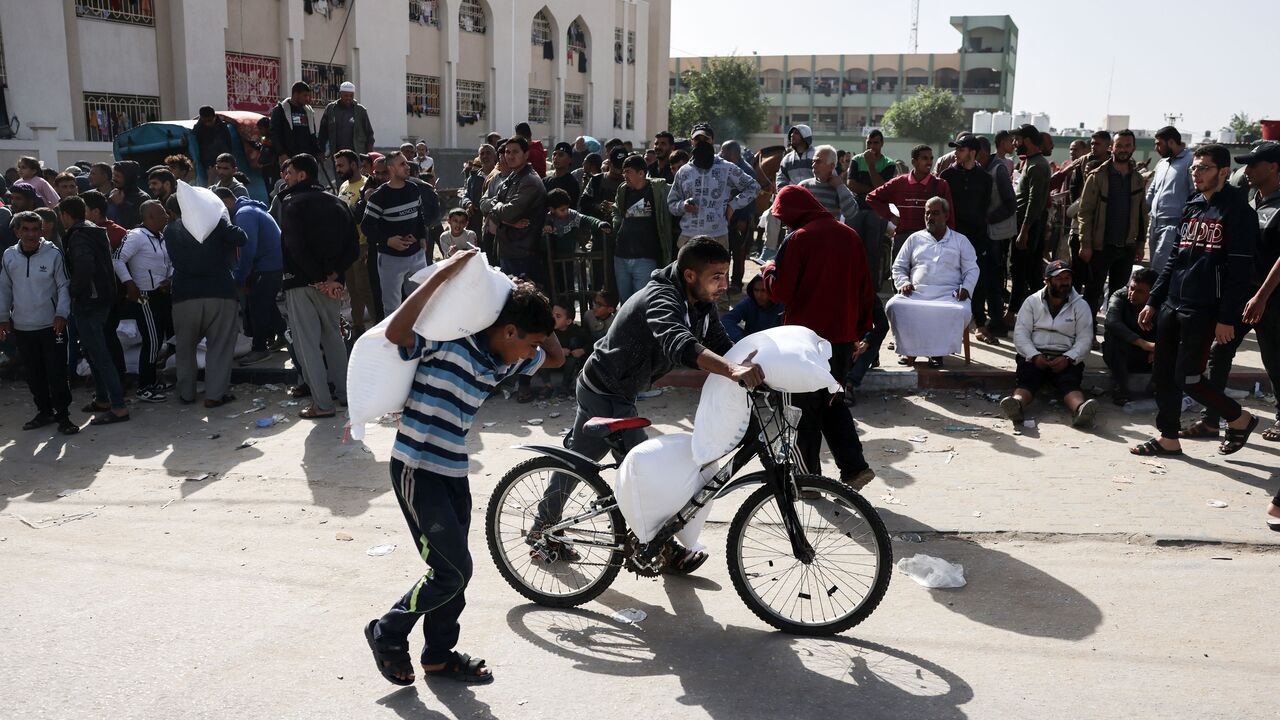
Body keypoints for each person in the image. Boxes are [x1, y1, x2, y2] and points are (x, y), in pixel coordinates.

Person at [366, 250, 564, 687]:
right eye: (527, 341)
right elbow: (399, 333)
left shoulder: (502, 360)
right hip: (416, 469)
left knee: (456, 570)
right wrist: (443, 277)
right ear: (508, 330)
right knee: (452, 572)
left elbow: (556, 357)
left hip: (452, 471)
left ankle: (438, 655)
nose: (529, 353)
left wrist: (522, 296)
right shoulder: (449, 339)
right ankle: (388, 630)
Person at [537, 238, 765, 572]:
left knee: (580, 462)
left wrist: (759, 370)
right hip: (605, 390)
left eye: (725, 275)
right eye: (716, 276)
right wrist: (732, 370)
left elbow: (720, 344)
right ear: (690, 275)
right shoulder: (661, 297)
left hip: (616, 389)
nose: (724, 284)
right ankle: (662, 547)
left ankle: (543, 528)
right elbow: (676, 340)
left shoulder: (700, 302)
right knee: (646, 471)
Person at [1131, 144, 1260, 457]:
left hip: (1205, 310)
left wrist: (1227, 318)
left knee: (1187, 377)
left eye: (1203, 168)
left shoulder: (1238, 211)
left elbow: (1240, 272)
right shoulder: (1192, 205)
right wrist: (1154, 300)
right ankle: (1168, 438)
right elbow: (1174, 258)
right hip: (1174, 303)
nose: (1196, 173)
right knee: (1163, 374)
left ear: (1223, 172)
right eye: (1194, 168)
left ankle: (1239, 418)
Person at [764, 185, 876, 488]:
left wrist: (769, 270)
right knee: (831, 401)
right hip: (840, 340)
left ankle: (808, 480)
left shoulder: (798, 239)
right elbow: (865, 288)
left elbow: (781, 292)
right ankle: (854, 468)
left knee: (803, 410)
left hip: (804, 343)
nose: (785, 223)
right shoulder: (849, 235)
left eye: (784, 218)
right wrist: (859, 332)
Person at [1180, 142, 1280, 443]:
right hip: (1240, 296)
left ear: (1274, 167)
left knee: (1275, 359)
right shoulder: (1249, 202)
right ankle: (1212, 419)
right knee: (1219, 353)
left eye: (1253, 164)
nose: (1246, 170)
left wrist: (1261, 297)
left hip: (1271, 298)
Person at [277, 153, 359, 419]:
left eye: (289, 173)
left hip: (301, 284)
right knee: (333, 338)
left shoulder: (292, 204)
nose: (285, 178)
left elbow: (295, 248)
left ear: (302, 175)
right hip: (332, 285)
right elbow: (353, 248)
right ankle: (347, 396)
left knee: (307, 344)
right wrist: (332, 277)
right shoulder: (338, 203)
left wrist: (316, 279)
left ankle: (322, 404)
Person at [164, 192, 247, 408]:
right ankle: (215, 395)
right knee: (219, 346)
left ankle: (186, 393)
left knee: (185, 348)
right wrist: (220, 217)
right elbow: (241, 238)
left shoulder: (171, 230)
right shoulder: (214, 224)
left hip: (184, 297)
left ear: (172, 212)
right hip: (220, 293)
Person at [0, 210, 77, 434]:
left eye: (35, 229)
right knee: (33, 374)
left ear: (42, 230)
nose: (31, 234)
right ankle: (44, 412)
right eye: (26, 229)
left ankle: (64, 417)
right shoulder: (9, 256)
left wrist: (62, 313)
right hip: (23, 326)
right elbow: (4, 289)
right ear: (17, 232)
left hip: (52, 326)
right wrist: (3, 318)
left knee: (57, 373)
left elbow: (64, 285)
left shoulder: (53, 254)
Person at [885, 197, 979, 368]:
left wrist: (966, 288)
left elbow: (972, 269)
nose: (930, 217)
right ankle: (908, 350)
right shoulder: (915, 239)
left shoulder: (960, 240)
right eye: (927, 213)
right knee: (894, 305)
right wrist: (903, 282)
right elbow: (898, 266)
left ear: (946, 216)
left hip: (948, 294)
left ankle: (937, 353)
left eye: (935, 213)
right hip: (917, 292)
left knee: (960, 310)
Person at [1002, 260, 1098, 428]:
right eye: (1059, 279)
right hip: (1035, 354)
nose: (1065, 283)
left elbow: (1085, 338)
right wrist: (1034, 355)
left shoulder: (1081, 305)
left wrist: (1068, 358)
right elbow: (1021, 334)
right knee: (1027, 380)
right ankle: (1016, 405)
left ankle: (1081, 410)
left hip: (1065, 355)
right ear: (1047, 281)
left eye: (1067, 278)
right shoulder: (1031, 302)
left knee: (1069, 382)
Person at [61, 196, 129, 424]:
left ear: (67, 215)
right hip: (103, 298)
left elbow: (85, 266)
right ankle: (103, 399)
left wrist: (72, 290)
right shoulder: (94, 231)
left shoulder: (78, 237)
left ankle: (118, 406)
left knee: (99, 354)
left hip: (89, 301)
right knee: (92, 351)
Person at [1075, 129, 1148, 318]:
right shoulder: (1097, 176)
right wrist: (1086, 243)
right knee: (1092, 292)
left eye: (1127, 145)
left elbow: (1142, 214)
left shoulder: (1138, 179)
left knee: (1119, 296)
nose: (1123, 149)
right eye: (1119, 146)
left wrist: (1140, 244)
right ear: (1111, 147)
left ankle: (1113, 336)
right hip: (1101, 246)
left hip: (1126, 247)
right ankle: (1087, 334)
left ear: (1133, 148)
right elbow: (1085, 212)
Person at [215, 187, 283, 366]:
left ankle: (260, 349)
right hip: (271, 264)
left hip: (269, 265)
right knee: (265, 302)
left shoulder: (244, 214)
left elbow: (247, 248)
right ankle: (284, 335)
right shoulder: (248, 210)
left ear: (226, 201)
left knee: (256, 304)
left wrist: (240, 277)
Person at [113, 200, 173, 400]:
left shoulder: (161, 237)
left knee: (158, 340)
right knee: (152, 341)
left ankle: (153, 381)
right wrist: (129, 283)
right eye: (162, 213)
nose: (166, 216)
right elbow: (117, 259)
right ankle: (144, 387)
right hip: (144, 296)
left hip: (161, 295)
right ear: (150, 217)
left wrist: (170, 278)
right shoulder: (136, 236)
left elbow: (170, 262)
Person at [667, 123, 760, 250]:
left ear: (713, 141)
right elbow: (671, 203)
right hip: (689, 238)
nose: (702, 143)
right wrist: (683, 206)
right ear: (691, 142)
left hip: (718, 237)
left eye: (706, 139)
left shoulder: (726, 168)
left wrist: (733, 205)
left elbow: (754, 187)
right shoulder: (684, 171)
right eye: (697, 139)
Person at [939, 135, 995, 338]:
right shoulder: (947, 175)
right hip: (952, 235)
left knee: (976, 279)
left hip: (977, 236)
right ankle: (948, 327)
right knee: (948, 279)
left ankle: (979, 323)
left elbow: (985, 206)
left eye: (961, 149)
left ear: (973, 152)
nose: (956, 152)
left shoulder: (985, 178)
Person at [362, 152, 430, 314]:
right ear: (391, 168)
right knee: (392, 307)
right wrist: (388, 240)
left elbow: (419, 215)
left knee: (421, 303)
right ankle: (394, 339)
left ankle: (419, 339)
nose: (408, 167)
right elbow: (367, 226)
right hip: (390, 259)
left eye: (407, 163)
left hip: (416, 256)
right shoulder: (379, 197)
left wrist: (421, 236)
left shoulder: (413, 189)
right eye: (402, 164)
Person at [864, 144, 955, 266]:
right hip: (903, 239)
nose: (929, 162)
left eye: (931, 158)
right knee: (900, 280)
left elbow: (949, 215)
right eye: (924, 158)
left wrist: (947, 241)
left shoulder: (940, 185)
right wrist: (890, 216)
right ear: (914, 162)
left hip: (930, 240)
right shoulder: (899, 183)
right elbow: (871, 198)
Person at [480, 136, 549, 287]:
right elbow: (484, 205)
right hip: (507, 249)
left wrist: (499, 213)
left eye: (515, 152)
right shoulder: (513, 176)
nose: (510, 156)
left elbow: (508, 212)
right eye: (507, 152)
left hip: (523, 253)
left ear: (526, 154)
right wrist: (503, 217)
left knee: (524, 301)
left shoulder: (530, 181)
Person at [611, 153, 671, 302]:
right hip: (621, 256)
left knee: (643, 303)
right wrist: (616, 225)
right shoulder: (623, 190)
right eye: (624, 172)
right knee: (625, 304)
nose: (624, 175)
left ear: (641, 173)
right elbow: (617, 211)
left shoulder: (658, 190)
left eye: (628, 171)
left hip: (645, 258)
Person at [1008, 124, 1051, 320]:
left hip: (1028, 225)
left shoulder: (1038, 165)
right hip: (1024, 223)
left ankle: (1012, 313)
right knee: (1029, 271)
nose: (1015, 144)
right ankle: (1041, 313)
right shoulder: (1030, 162)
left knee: (1021, 270)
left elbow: (1035, 202)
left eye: (1017, 140)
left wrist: (1024, 231)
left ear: (1026, 140)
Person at [976, 135, 1016, 341]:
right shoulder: (983, 168)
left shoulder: (998, 169)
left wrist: (987, 219)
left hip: (995, 234)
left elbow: (1010, 204)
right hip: (987, 233)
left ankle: (997, 322)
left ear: (981, 153)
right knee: (985, 278)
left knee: (992, 279)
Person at [541, 187, 611, 303]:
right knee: (555, 290)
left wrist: (599, 224)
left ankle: (569, 313)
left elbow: (587, 220)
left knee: (570, 290)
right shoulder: (547, 220)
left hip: (569, 259)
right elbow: (542, 243)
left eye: (567, 208)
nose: (566, 212)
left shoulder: (572, 216)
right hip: (551, 261)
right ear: (552, 209)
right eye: (562, 210)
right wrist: (546, 233)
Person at [847, 130, 898, 281]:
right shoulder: (856, 160)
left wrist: (871, 166)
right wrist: (874, 190)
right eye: (869, 142)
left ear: (882, 144)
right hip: (858, 208)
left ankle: (871, 284)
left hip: (877, 210)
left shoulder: (889, 164)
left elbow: (883, 188)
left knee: (873, 249)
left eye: (875, 142)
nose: (871, 146)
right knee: (853, 246)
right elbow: (851, 184)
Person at [1103, 268, 1158, 405]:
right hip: (1123, 355)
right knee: (1113, 336)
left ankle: (1158, 386)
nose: (1133, 294)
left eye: (1140, 291)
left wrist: (1159, 346)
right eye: (1132, 288)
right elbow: (1112, 322)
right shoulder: (1120, 296)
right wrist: (1144, 344)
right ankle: (1120, 388)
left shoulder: (1161, 302)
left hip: (1151, 357)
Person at [334, 149, 374, 334]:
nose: (338, 169)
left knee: (364, 289)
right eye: (336, 165)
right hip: (346, 246)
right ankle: (358, 327)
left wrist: (367, 245)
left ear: (354, 165)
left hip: (362, 245)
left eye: (341, 165)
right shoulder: (343, 186)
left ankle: (379, 324)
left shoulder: (367, 185)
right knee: (352, 290)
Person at [1146, 126, 1194, 273]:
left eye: (1159, 144)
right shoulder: (1162, 163)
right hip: (1154, 225)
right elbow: (1152, 191)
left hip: (1173, 227)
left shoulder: (1190, 161)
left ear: (1171, 142)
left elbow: (1194, 194)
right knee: (1153, 269)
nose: (1156, 148)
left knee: (1160, 271)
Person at [720, 140, 759, 293]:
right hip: (724, 217)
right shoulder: (723, 167)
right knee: (724, 252)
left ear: (732, 153)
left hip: (739, 218)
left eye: (724, 151)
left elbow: (751, 196)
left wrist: (743, 219)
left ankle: (736, 283)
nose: (721, 154)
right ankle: (723, 281)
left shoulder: (747, 170)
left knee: (738, 252)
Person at [797, 144, 859, 224]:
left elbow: (851, 213)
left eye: (818, 162)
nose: (813, 165)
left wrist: (840, 186)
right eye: (813, 161)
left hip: (829, 235)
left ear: (831, 166)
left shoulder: (839, 188)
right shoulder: (803, 186)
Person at [270, 81, 322, 166]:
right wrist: (282, 153)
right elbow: (274, 134)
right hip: (289, 158)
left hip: (306, 157)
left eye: (308, 96)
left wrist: (318, 151)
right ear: (296, 94)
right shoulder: (280, 110)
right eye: (305, 95)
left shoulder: (308, 111)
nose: (307, 99)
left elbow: (312, 133)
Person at [318, 81, 375, 157]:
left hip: (357, 154)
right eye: (346, 95)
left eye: (351, 96)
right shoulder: (331, 109)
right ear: (340, 94)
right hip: (337, 154)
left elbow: (369, 133)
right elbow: (323, 132)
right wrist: (321, 151)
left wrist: (370, 154)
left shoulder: (361, 111)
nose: (348, 98)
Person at [721, 273, 784, 341]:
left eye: (764, 291)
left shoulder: (782, 306)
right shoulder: (749, 302)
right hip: (752, 344)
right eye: (756, 290)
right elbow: (726, 319)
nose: (759, 295)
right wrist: (742, 339)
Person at [193, 107, 234, 182]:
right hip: (209, 165)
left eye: (209, 120)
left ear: (214, 117)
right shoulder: (198, 129)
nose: (207, 123)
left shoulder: (222, 127)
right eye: (205, 121)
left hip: (225, 162)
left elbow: (229, 145)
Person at [108, 161, 148, 229]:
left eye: (117, 176)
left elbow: (138, 224)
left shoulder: (142, 198)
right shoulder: (111, 194)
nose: (114, 179)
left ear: (129, 178)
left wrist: (121, 205)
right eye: (113, 175)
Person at [774, 124, 815, 190]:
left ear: (805, 137)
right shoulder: (787, 159)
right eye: (792, 133)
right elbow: (781, 178)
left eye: (796, 133)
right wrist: (784, 192)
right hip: (792, 197)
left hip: (813, 197)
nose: (792, 135)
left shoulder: (817, 156)